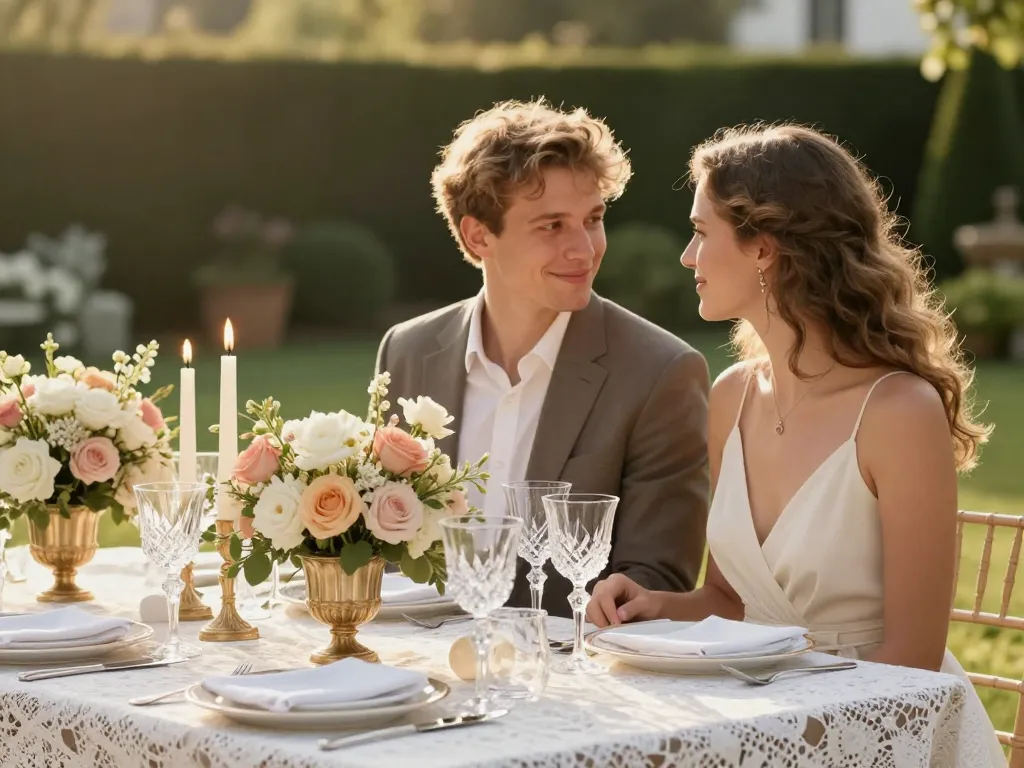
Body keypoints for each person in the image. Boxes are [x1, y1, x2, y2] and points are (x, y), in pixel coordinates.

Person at [586, 123, 1005, 764]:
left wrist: (789, 739)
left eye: (702, 232)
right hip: (760, 714)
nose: (687, 257)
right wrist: (654, 605)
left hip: (885, 728)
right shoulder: (731, 396)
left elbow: (914, 658)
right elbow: (728, 599)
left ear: (764, 247)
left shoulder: (897, 411)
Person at [374, 98, 711, 619]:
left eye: (592, 219)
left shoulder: (660, 372)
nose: (584, 249)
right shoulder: (408, 350)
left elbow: (656, 576)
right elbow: (379, 537)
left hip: (571, 674)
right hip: (416, 666)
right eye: (552, 226)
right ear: (478, 235)